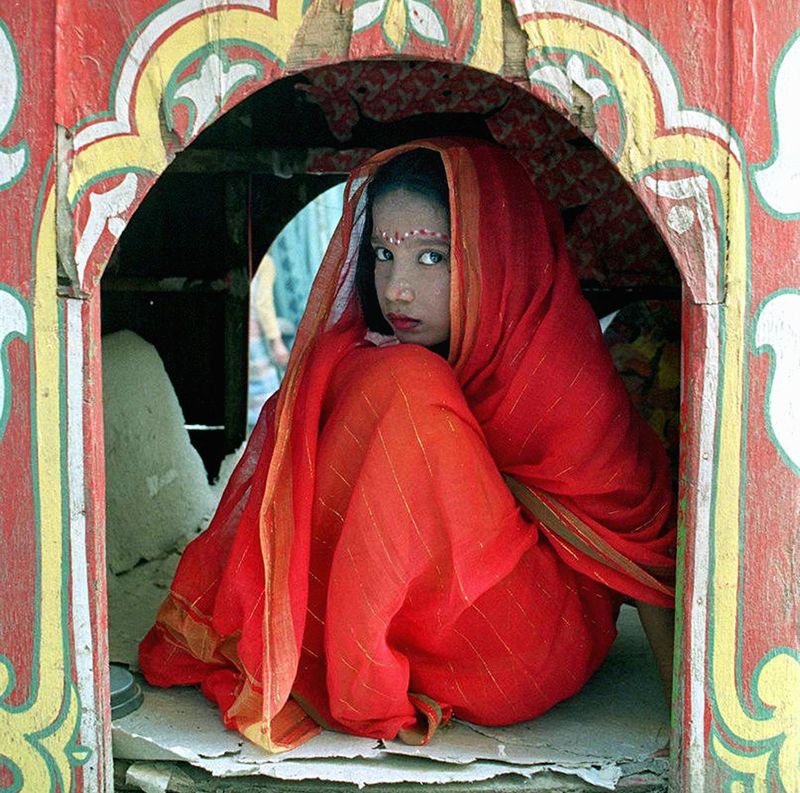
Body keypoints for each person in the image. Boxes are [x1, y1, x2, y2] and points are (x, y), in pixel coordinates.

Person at [139, 138, 676, 752]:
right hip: (433, 636)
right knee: (350, 374)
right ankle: (338, 646)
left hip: (525, 642)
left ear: (498, 259)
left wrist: (685, 728)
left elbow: (647, 552)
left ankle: (359, 663)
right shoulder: (395, 359)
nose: (396, 287)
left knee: (398, 385)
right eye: (383, 254)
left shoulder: (559, 375)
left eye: (432, 257)